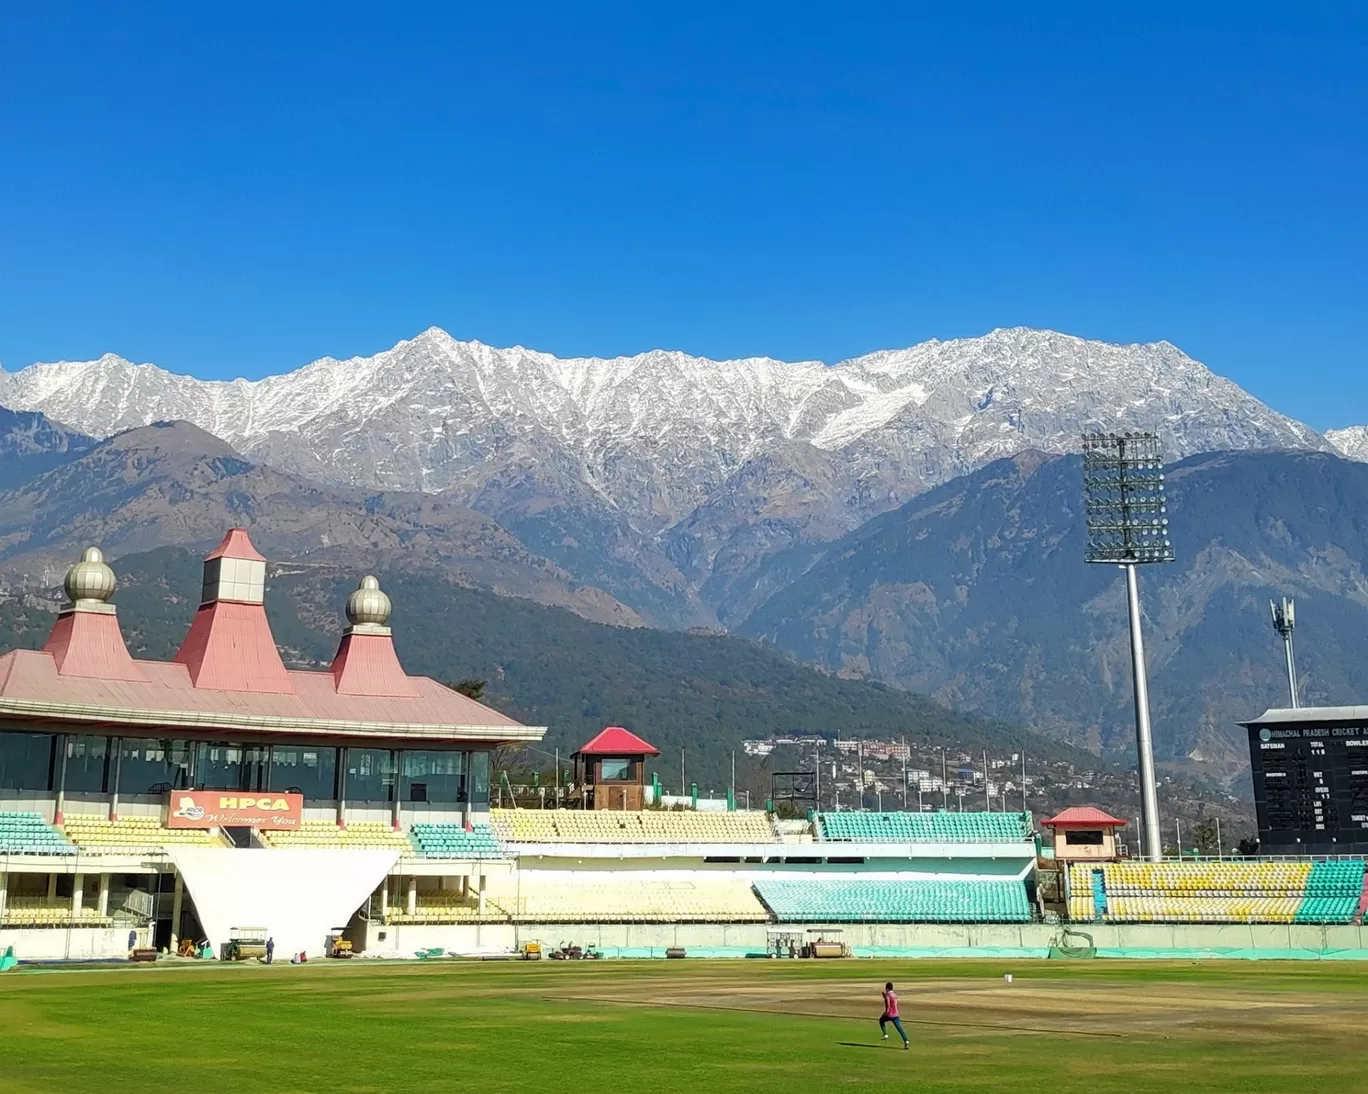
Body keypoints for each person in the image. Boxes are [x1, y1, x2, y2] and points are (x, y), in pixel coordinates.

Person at [880, 982, 909, 1049]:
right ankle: (906, 1041)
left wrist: (886, 1011)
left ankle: (885, 1034)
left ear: (887, 988)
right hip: (896, 1014)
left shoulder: (887, 995)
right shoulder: (895, 995)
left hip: (889, 1014)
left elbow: (888, 1003)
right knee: (900, 1029)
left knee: (881, 1021)